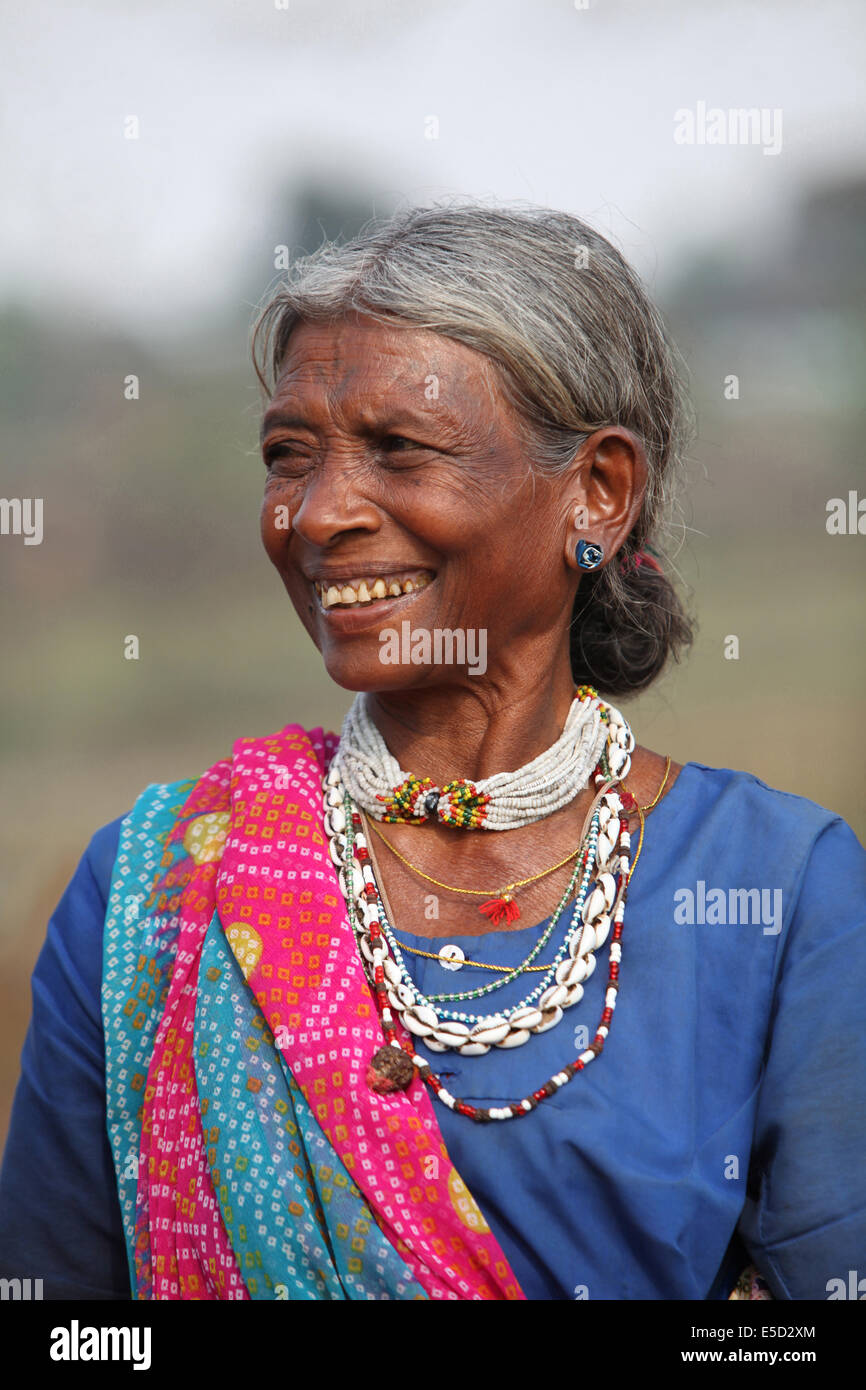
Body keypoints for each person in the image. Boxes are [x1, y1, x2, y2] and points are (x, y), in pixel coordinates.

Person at [1, 205, 863, 1300]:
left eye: (398, 449)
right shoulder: (158, 892)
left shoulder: (774, 889)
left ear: (595, 492)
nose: (316, 515)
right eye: (286, 457)